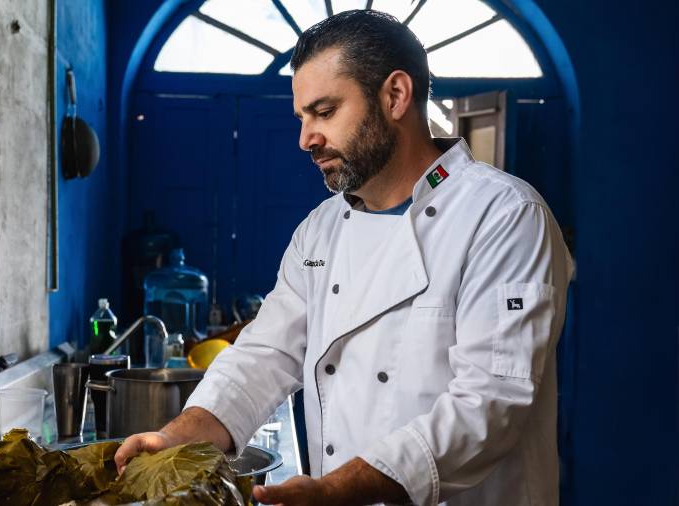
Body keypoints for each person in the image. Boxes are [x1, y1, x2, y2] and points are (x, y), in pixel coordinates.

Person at [115, 9, 573, 506]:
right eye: (302, 117)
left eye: (325, 112)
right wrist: (181, 435)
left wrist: (337, 488)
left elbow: (491, 404)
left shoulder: (504, 215)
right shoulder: (320, 230)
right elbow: (264, 354)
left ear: (395, 96)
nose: (305, 139)